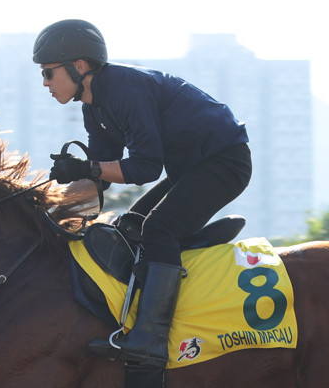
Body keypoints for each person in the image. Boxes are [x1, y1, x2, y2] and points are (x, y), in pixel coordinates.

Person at [33, 19, 253, 368]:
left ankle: (152, 338)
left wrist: (87, 168)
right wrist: (46, 203)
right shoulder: (94, 106)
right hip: (193, 167)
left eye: (48, 73)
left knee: (158, 229)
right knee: (131, 224)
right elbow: (100, 176)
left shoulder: (125, 89)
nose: (44, 83)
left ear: (78, 66)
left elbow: (145, 168)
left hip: (224, 161)